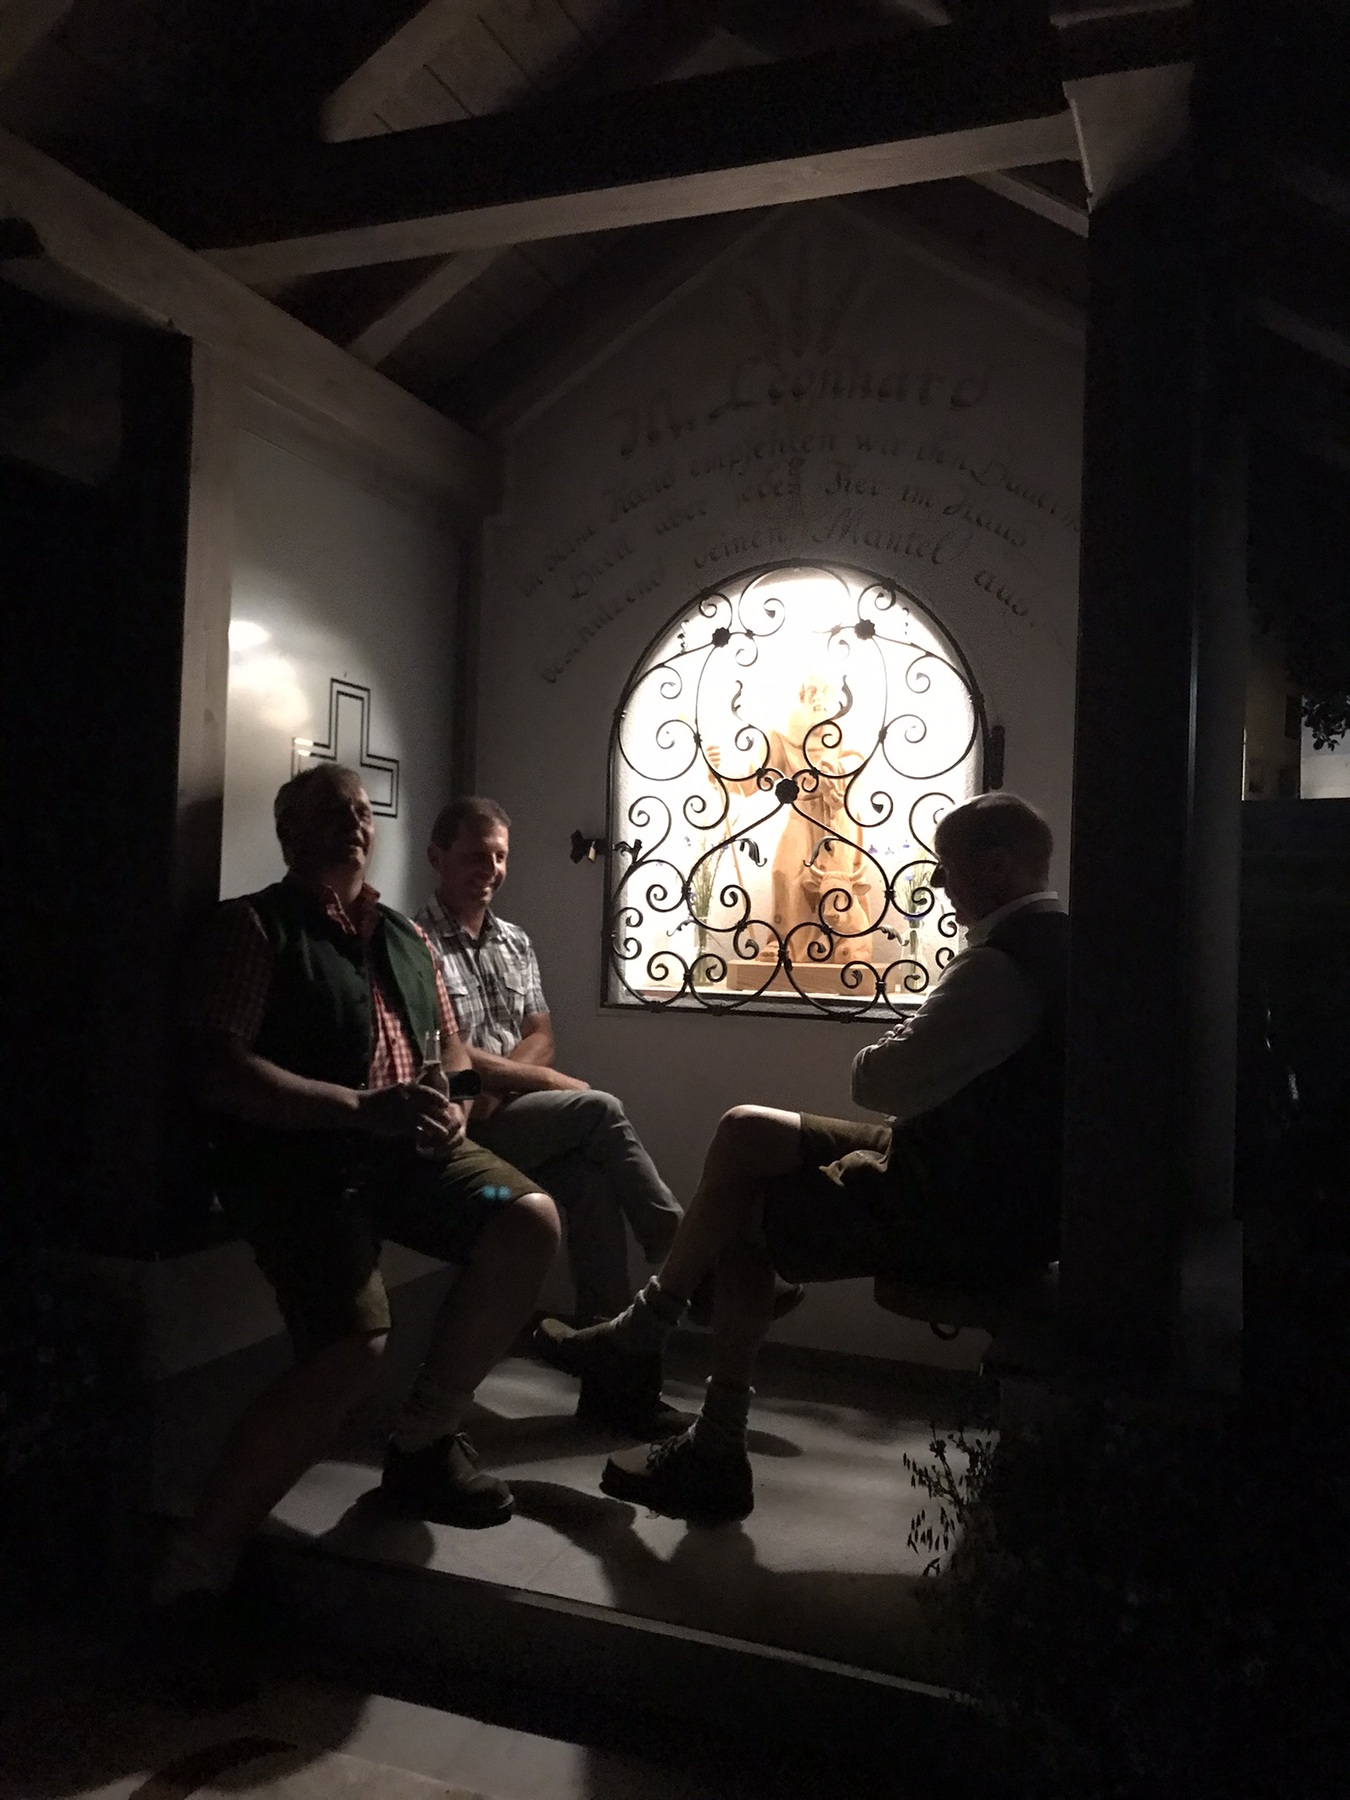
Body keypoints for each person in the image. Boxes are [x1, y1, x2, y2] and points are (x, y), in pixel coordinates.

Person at [556, 792, 1069, 1523]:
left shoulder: (998, 970)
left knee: (743, 1219)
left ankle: (715, 1446)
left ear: (997, 866)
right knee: (745, 1130)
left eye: (949, 867)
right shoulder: (1051, 943)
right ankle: (646, 1325)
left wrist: (907, 1045)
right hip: (970, 1161)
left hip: (956, 1197)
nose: (939, 882)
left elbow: (876, 1081)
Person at [152, 764, 559, 1662]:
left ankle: (423, 1441)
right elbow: (217, 1070)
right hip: (304, 1169)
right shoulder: (254, 927)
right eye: (327, 811)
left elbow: (448, 1056)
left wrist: (453, 1109)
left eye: (360, 811)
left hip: (412, 1160)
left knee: (525, 1214)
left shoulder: (406, 937)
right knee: (351, 1346)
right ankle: (192, 1571)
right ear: (288, 831)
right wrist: (356, 1109)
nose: (350, 822)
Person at [416, 795, 687, 1432]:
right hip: (465, 1129)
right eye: (475, 856)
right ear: (436, 857)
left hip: (511, 1115)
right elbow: (450, 1051)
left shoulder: (515, 940)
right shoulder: (413, 943)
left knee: (592, 1187)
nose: (490, 869)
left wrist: (513, 1080)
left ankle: (616, 1392)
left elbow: (541, 1034)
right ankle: (683, 1257)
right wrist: (543, 1080)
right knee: (598, 1109)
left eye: (499, 857)